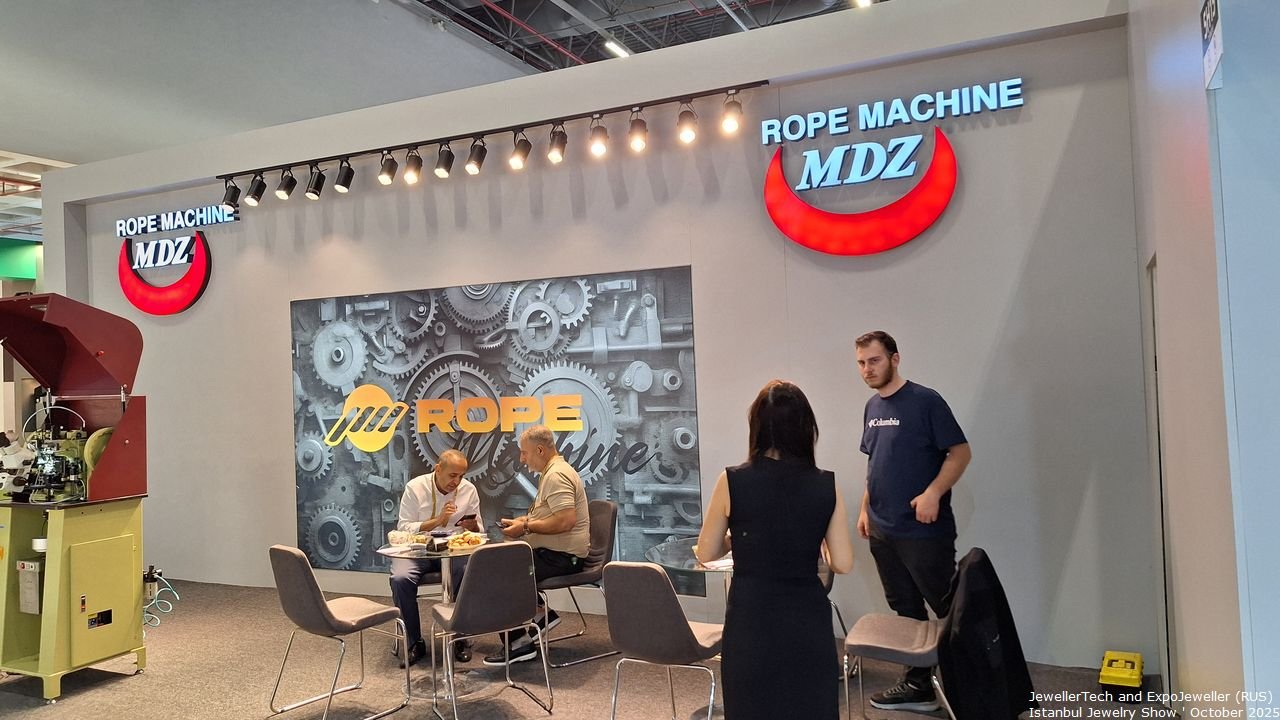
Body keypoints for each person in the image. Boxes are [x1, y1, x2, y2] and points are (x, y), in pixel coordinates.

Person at [696, 380, 854, 720]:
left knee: (752, 706)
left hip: (751, 617)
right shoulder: (826, 484)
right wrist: (819, 540)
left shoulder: (731, 481)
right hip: (806, 618)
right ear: (806, 428)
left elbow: (705, 553)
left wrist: (736, 538)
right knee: (807, 706)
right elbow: (842, 562)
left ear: (756, 426)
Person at [855, 330, 971, 712]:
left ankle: (972, 686)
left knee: (948, 608)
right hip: (882, 530)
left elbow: (960, 452)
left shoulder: (925, 401)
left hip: (923, 531)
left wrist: (934, 492)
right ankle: (919, 685)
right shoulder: (872, 407)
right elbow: (876, 464)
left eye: (874, 360)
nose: (867, 369)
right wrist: (864, 509)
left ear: (895, 359)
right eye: (861, 363)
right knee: (905, 609)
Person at [483, 424, 590, 666]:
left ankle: (518, 644)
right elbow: (551, 514)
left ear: (540, 450)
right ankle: (541, 615)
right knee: (500, 564)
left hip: (562, 557)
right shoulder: (552, 472)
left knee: (495, 576)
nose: (522, 459)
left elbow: (565, 520)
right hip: (556, 554)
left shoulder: (556, 475)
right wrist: (523, 521)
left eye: (524, 452)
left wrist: (526, 528)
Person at [390, 448, 481, 667]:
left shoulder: (469, 490)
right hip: (418, 550)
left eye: (461, 476)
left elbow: (479, 529)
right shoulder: (415, 487)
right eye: (452, 475)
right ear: (438, 469)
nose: (456, 482)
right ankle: (414, 642)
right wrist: (438, 521)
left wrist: (473, 526)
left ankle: (460, 637)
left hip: (454, 550)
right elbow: (404, 527)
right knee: (400, 578)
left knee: (466, 572)